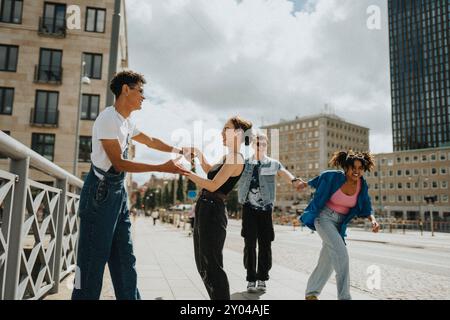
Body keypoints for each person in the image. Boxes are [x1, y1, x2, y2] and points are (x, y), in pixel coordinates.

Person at [72, 70, 190, 300]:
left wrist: (180, 151)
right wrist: (161, 167)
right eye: (141, 91)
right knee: (91, 263)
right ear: (126, 89)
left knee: (125, 259)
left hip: (118, 195)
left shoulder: (126, 121)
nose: (144, 97)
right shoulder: (107, 119)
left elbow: (151, 141)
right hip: (100, 193)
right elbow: (119, 162)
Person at [184, 116, 253, 300]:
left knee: (212, 265)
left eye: (226, 129)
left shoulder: (236, 158)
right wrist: (198, 153)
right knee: (202, 264)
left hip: (213, 210)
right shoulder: (227, 157)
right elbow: (210, 170)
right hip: (205, 207)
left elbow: (213, 185)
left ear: (238, 133)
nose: (222, 133)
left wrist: (185, 173)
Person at [298, 150, 380, 300]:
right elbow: (320, 179)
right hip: (323, 219)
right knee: (341, 255)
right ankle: (344, 297)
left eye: (360, 168)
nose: (356, 171)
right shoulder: (334, 177)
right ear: (346, 168)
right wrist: (305, 184)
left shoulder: (362, 185)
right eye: (353, 168)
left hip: (339, 225)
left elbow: (367, 205)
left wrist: (373, 220)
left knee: (327, 260)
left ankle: (311, 294)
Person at [237, 132, 306, 293]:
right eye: (257, 143)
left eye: (264, 144)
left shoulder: (273, 163)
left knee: (265, 245)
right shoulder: (245, 163)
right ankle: (251, 279)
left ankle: (262, 278)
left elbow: (285, 174)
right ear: (253, 145)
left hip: (265, 210)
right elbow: (231, 176)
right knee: (249, 245)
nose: (260, 146)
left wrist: (295, 181)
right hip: (248, 209)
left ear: (267, 146)